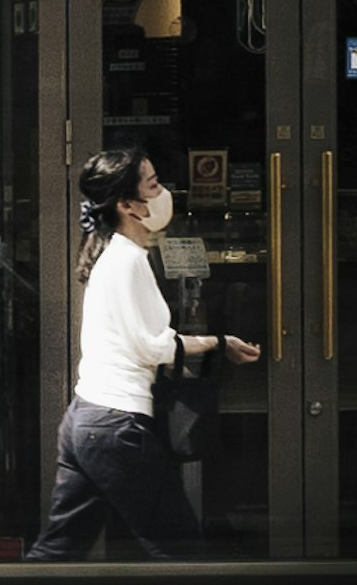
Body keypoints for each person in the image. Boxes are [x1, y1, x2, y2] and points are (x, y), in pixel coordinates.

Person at [28, 148, 257, 561]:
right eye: (152, 184)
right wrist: (219, 343)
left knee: (58, 552)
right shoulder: (125, 261)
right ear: (128, 205)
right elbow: (152, 346)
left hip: (86, 421)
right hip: (118, 428)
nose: (162, 191)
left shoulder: (115, 254)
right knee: (181, 550)